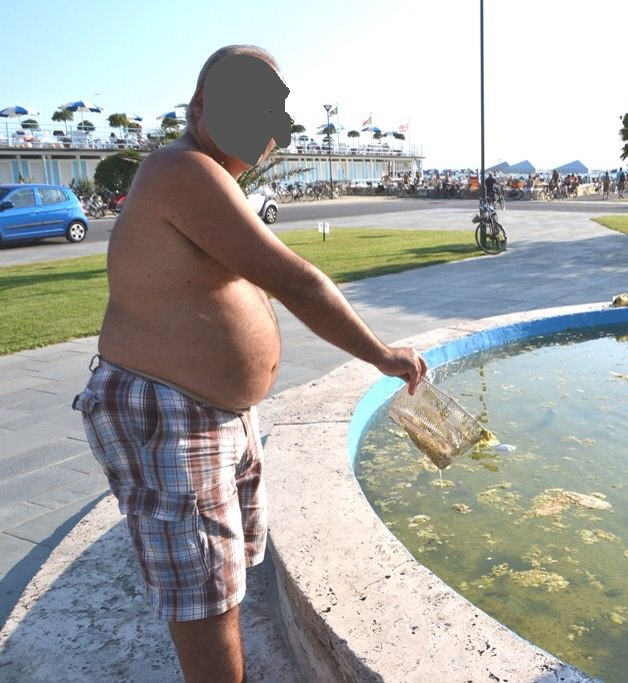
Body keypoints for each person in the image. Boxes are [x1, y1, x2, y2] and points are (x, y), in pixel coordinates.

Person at [72, 45, 426, 683]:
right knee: (204, 595)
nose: (269, 128)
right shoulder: (183, 169)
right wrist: (381, 353)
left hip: (209, 412)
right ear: (200, 108)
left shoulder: (209, 179)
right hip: (170, 413)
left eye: (275, 114)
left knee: (220, 582)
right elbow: (300, 283)